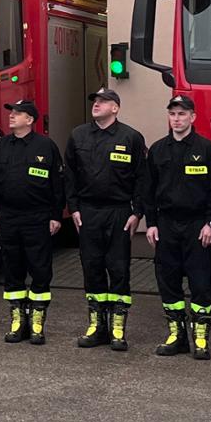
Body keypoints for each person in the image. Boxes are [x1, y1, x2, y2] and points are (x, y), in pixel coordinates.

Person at [139, 95, 211, 360]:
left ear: (193, 117)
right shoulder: (158, 149)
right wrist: (150, 224)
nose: (177, 119)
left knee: (200, 282)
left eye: (182, 114)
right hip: (166, 224)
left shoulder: (206, 148)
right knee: (168, 282)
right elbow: (148, 191)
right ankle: (177, 335)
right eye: (173, 114)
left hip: (197, 225)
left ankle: (200, 338)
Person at [66, 88, 147, 352]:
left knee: (118, 268)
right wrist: (74, 208)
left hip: (119, 213)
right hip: (88, 212)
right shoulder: (78, 135)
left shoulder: (131, 138)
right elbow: (70, 176)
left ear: (116, 108)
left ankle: (118, 329)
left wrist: (137, 212)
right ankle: (97, 326)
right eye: (95, 101)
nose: (96, 105)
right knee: (92, 267)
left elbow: (142, 179)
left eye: (103, 101)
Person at [0, 99, 66, 345]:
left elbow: (57, 185)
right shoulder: (1, 145)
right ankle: (17, 321)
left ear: (30, 120)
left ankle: (36, 323)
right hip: (9, 217)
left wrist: (56, 215)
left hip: (38, 217)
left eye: (17, 113)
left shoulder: (46, 146)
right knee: (13, 270)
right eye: (11, 112)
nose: (11, 116)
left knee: (40, 270)